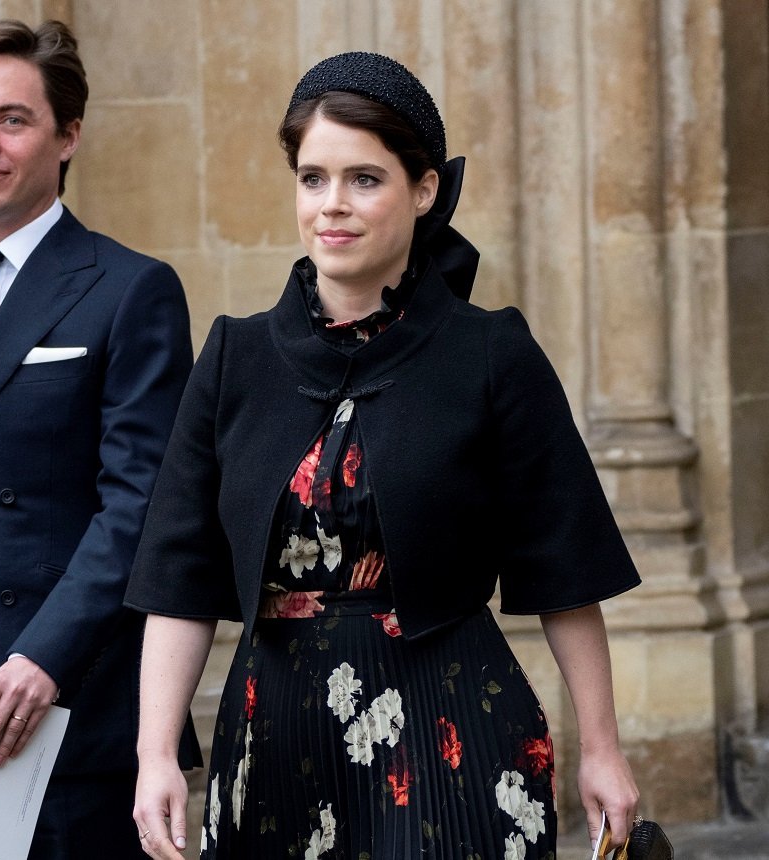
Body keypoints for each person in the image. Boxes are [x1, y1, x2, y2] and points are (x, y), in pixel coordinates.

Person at [127, 52, 642, 859]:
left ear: (425, 188)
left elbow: (567, 568)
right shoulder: (234, 357)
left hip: (456, 737)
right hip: (272, 744)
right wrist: (155, 751)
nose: (332, 205)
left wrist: (603, 748)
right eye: (313, 178)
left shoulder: (491, 353)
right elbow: (177, 573)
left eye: (365, 179)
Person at [0, 19, 197, 860]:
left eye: (11, 119)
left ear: (68, 135)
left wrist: (43, 657)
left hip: (73, 713)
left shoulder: (132, 289)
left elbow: (140, 506)